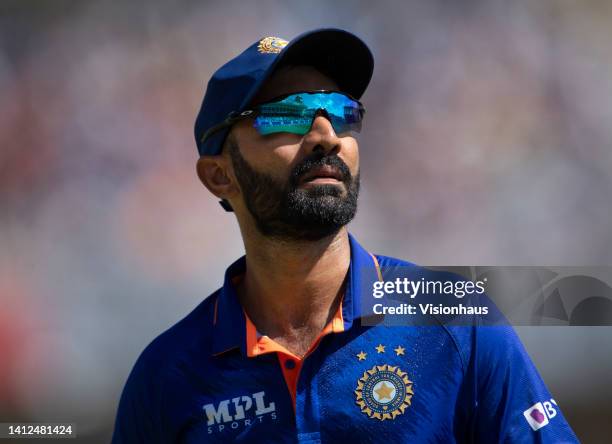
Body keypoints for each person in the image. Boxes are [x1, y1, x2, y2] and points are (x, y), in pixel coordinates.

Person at [111, 28, 578, 443]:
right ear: (218, 176)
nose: (325, 135)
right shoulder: (167, 376)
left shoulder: (455, 323)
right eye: (285, 115)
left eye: (340, 111)